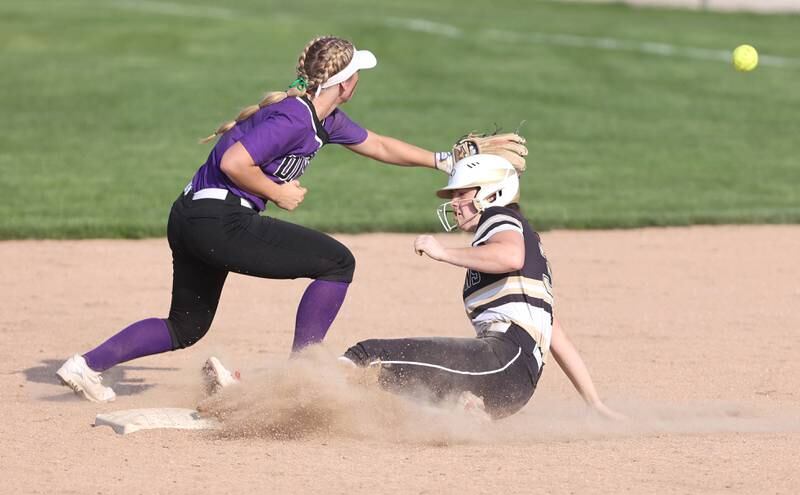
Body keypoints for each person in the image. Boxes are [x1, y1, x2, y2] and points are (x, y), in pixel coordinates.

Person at [56, 35, 498, 403]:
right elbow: (234, 162)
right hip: (219, 220)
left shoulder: (324, 121)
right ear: (345, 84)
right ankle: (300, 376)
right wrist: (277, 192)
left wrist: (444, 161)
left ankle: (85, 366)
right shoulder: (294, 118)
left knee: (185, 326)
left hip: (191, 216)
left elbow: (379, 146)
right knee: (337, 262)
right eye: (357, 73)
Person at [206, 154, 623, 421]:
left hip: (501, 361)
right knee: (390, 390)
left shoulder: (502, 220)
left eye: (463, 194)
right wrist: (594, 402)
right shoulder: (518, 250)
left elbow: (509, 256)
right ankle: (461, 413)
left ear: (491, 193)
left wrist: (444, 252)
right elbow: (555, 333)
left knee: (368, 355)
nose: (455, 202)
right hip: (508, 383)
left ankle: (257, 394)